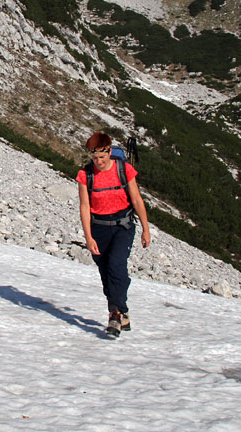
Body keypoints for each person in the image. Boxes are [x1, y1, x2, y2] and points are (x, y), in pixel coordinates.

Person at [76, 131, 151, 337]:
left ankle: (115, 314)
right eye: (95, 158)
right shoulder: (85, 175)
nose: (99, 162)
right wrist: (88, 237)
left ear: (109, 151)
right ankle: (122, 310)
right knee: (106, 273)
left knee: (116, 266)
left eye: (102, 156)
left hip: (122, 226)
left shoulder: (124, 169)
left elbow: (136, 200)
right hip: (98, 228)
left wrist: (145, 228)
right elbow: (84, 207)